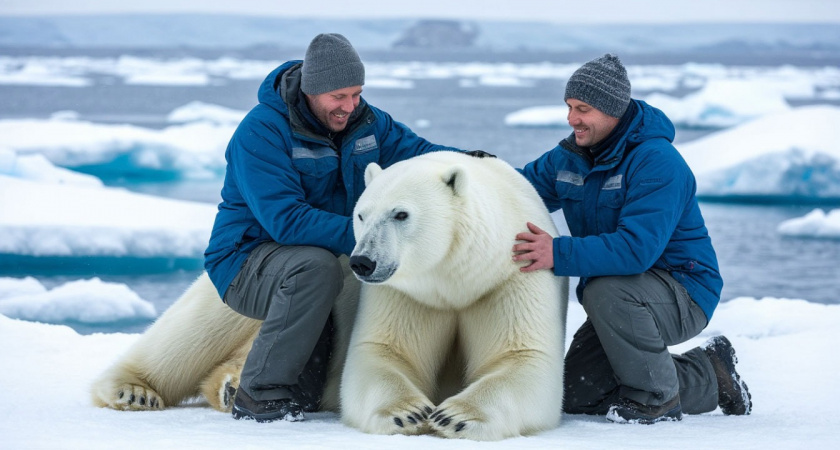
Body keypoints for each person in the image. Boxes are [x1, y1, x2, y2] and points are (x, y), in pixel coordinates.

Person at [204, 33, 463, 423]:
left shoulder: (368, 122)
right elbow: (286, 220)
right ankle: (257, 395)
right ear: (311, 90)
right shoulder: (262, 131)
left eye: (356, 94)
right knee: (315, 268)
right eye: (338, 97)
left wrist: (478, 166)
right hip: (246, 263)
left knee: (308, 395)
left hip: (320, 257)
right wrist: (375, 236)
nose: (350, 106)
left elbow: (423, 156)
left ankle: (299, 386)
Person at [512, 54, 752, 424]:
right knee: (576, 392)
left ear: (613, 110)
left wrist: (556, 252)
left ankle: (657, 398)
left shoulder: (658, 162)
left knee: (604, 291)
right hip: (624, 295)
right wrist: (456, 174)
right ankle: (711, 374)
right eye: (569, 107)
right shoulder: (570, 157)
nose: (572, 118)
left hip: (683, 291)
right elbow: (515, 190)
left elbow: (635, 250)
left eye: (583, 108)